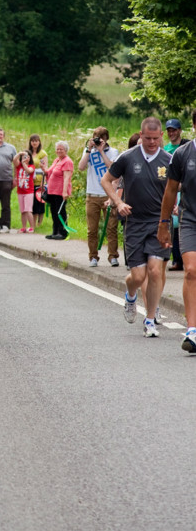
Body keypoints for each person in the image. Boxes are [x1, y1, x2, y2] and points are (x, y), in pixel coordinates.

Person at [101, 117, 171, 337]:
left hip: (159, 223)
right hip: (134, 222)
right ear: (140, 136)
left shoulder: (169, 160)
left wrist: (176, 206)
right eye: (147, 138)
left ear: (161, 136)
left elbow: (178, 187)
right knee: (138, 276)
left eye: (155, 138)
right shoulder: (128, 158)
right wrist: (118, 202)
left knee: (155, 270)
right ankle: (131, 296)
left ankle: (150, 320)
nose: (152, 142)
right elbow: (106, 181)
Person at [158, 108, 196, 353]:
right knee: (191, 271)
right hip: (190, 218)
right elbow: (170, 190)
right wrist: (163, 224)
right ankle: (192, 330)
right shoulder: (183, 154)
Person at [77, 126, 120, 268]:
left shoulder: (113, 152)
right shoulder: (89, 151)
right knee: (92, 229)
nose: (98, 141)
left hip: (108, 194)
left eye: (101, 138)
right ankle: (93, 257)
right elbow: (81, 167)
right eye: (96, 138)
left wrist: (102, 151)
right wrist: (89, 149)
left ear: (106, 139)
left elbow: (112, 168)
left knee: (111, 227)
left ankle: (113, 256)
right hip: (92, 194)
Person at [163, 118, 189, 271]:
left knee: (183, 223)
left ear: (180, 130)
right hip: (171, 187)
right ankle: (177, 259)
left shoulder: (186, 146)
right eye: (169, 130)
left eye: (174, 130)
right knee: (172, 224)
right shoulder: (165, 149)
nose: (171, 133)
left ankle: (185, 258)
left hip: (184, 188)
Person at [45, 141, 74, 240]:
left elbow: (67, 177)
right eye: (57, 149)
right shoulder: (57, 160)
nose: (59, 151)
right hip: (52, 191)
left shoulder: (67, 161)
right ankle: (55, 231)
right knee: (53, 211)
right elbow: (49, 172)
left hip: (60, 191)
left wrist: (65, 191)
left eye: (61, 149)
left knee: (60, 212)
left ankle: (62, 232)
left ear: (66, 150)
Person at [14, 149, 36, 232]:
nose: (25, 158)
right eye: (24, 157)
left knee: (28, 210)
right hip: (20, 191)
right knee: (22, 210)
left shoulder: (31, 166)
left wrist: (24, 164)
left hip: (28, 192)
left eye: (27, 156)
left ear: (30, 158)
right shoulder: (18, 165)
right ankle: (23, 227)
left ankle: (32, 227)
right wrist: (19, 153)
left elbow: (28, 171)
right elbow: (14, 160)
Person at [29, 134, 48, 227]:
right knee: (32, 202)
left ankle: (39, 223)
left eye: (36, 141)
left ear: (39, 142)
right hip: (30, 180)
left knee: (39, 202)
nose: (34, 143)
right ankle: (32, 222)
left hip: (39, 179)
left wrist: (43, 182)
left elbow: (45, 168)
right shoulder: (28, 152)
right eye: (32, 141)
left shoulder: (42, 154)